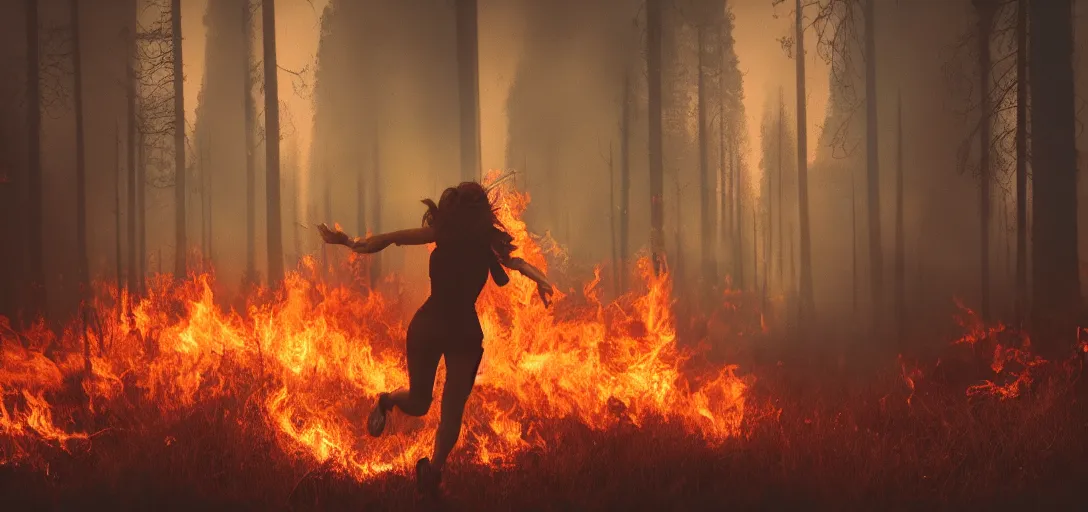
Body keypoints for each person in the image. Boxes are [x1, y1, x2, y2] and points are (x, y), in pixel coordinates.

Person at [317, 181, 554, 494]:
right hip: (430, 325)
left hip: (465, 333)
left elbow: (518, 263)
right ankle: (387, 400)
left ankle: (432, 473)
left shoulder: (488, 243)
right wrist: (349, 242)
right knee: (418, 403)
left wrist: (542, 281)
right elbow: (390, 239)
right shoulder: (442, 235)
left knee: (452, 411)